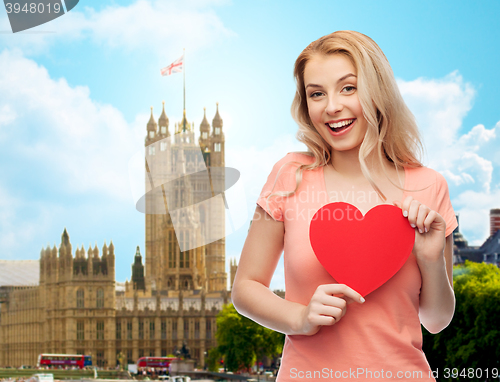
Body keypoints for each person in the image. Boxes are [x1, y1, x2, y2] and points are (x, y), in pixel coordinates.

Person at [231, 31, 457, 381]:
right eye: (316, 94)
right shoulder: (289, 175)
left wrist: (430, 260)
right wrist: (300, 318)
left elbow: (437, 319)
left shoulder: (428, 186)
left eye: (348, 88)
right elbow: (245, 288)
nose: (331, 106)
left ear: (377, 90)